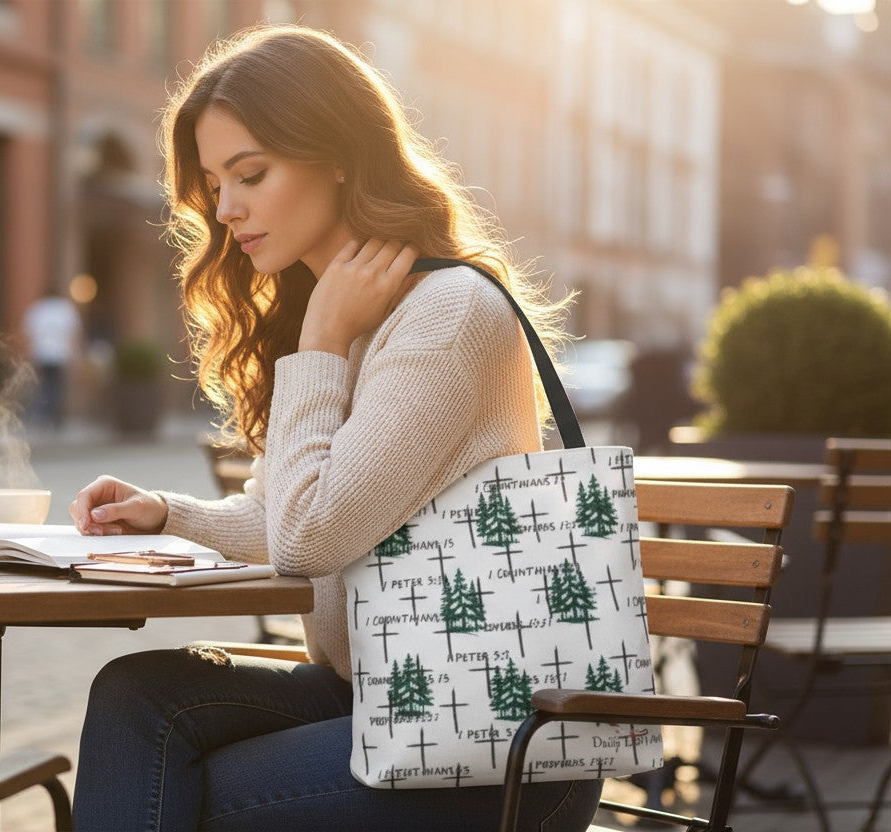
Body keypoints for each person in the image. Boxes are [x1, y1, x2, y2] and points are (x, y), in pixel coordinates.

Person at [67, 25, 601, 832]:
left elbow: (312, 537)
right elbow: (294, 513)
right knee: (138, 698)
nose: (227, 208)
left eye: (251, 174)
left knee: (194, 786)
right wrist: (170, 516)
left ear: (340, 156)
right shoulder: (347, 316)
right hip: (382, 692)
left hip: (502, 732)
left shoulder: (445, 316)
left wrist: (318, 341)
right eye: (215, 182)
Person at [23, 286, 81, 426]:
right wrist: (75, 354)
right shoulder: (66, 309)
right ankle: (53, 415)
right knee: (56, 385)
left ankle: (44, 414)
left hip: (41, 352)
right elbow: (73, 333)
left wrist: (30, 352)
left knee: (46, 384)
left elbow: (28, 333)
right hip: (60, 353)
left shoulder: (37, 309)